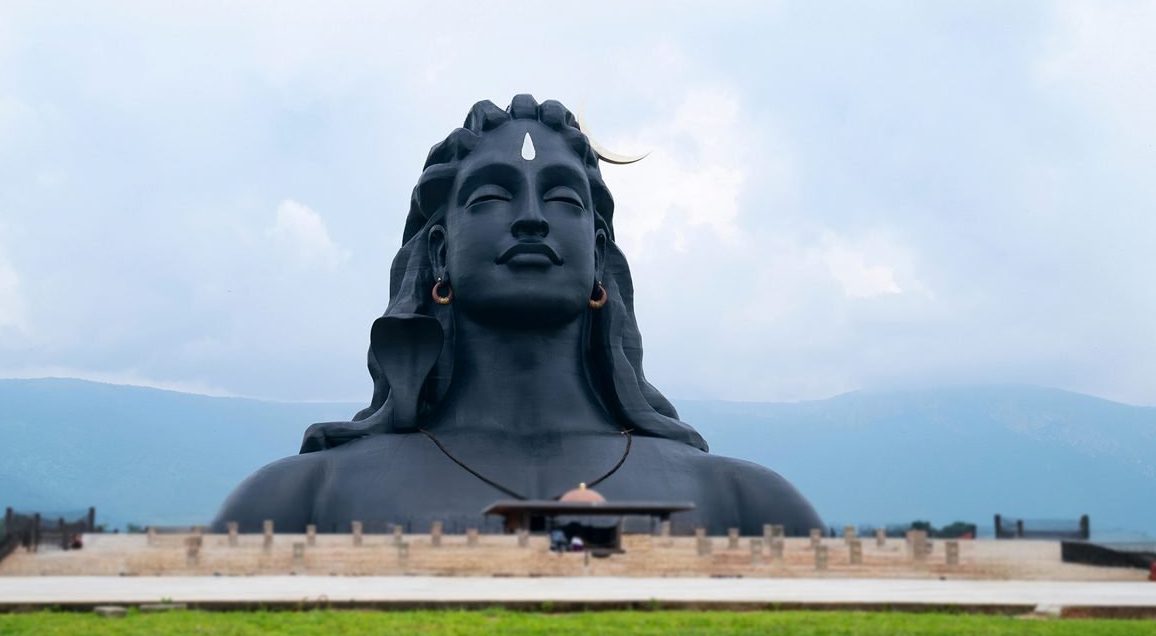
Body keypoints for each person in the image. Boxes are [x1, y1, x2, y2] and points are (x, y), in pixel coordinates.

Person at [213, 95, 821, 536]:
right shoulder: (300, 501)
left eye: (562, 197)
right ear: (440, 252)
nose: (531, 217)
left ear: (599, 253)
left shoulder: (746, 504)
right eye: (491, 196)